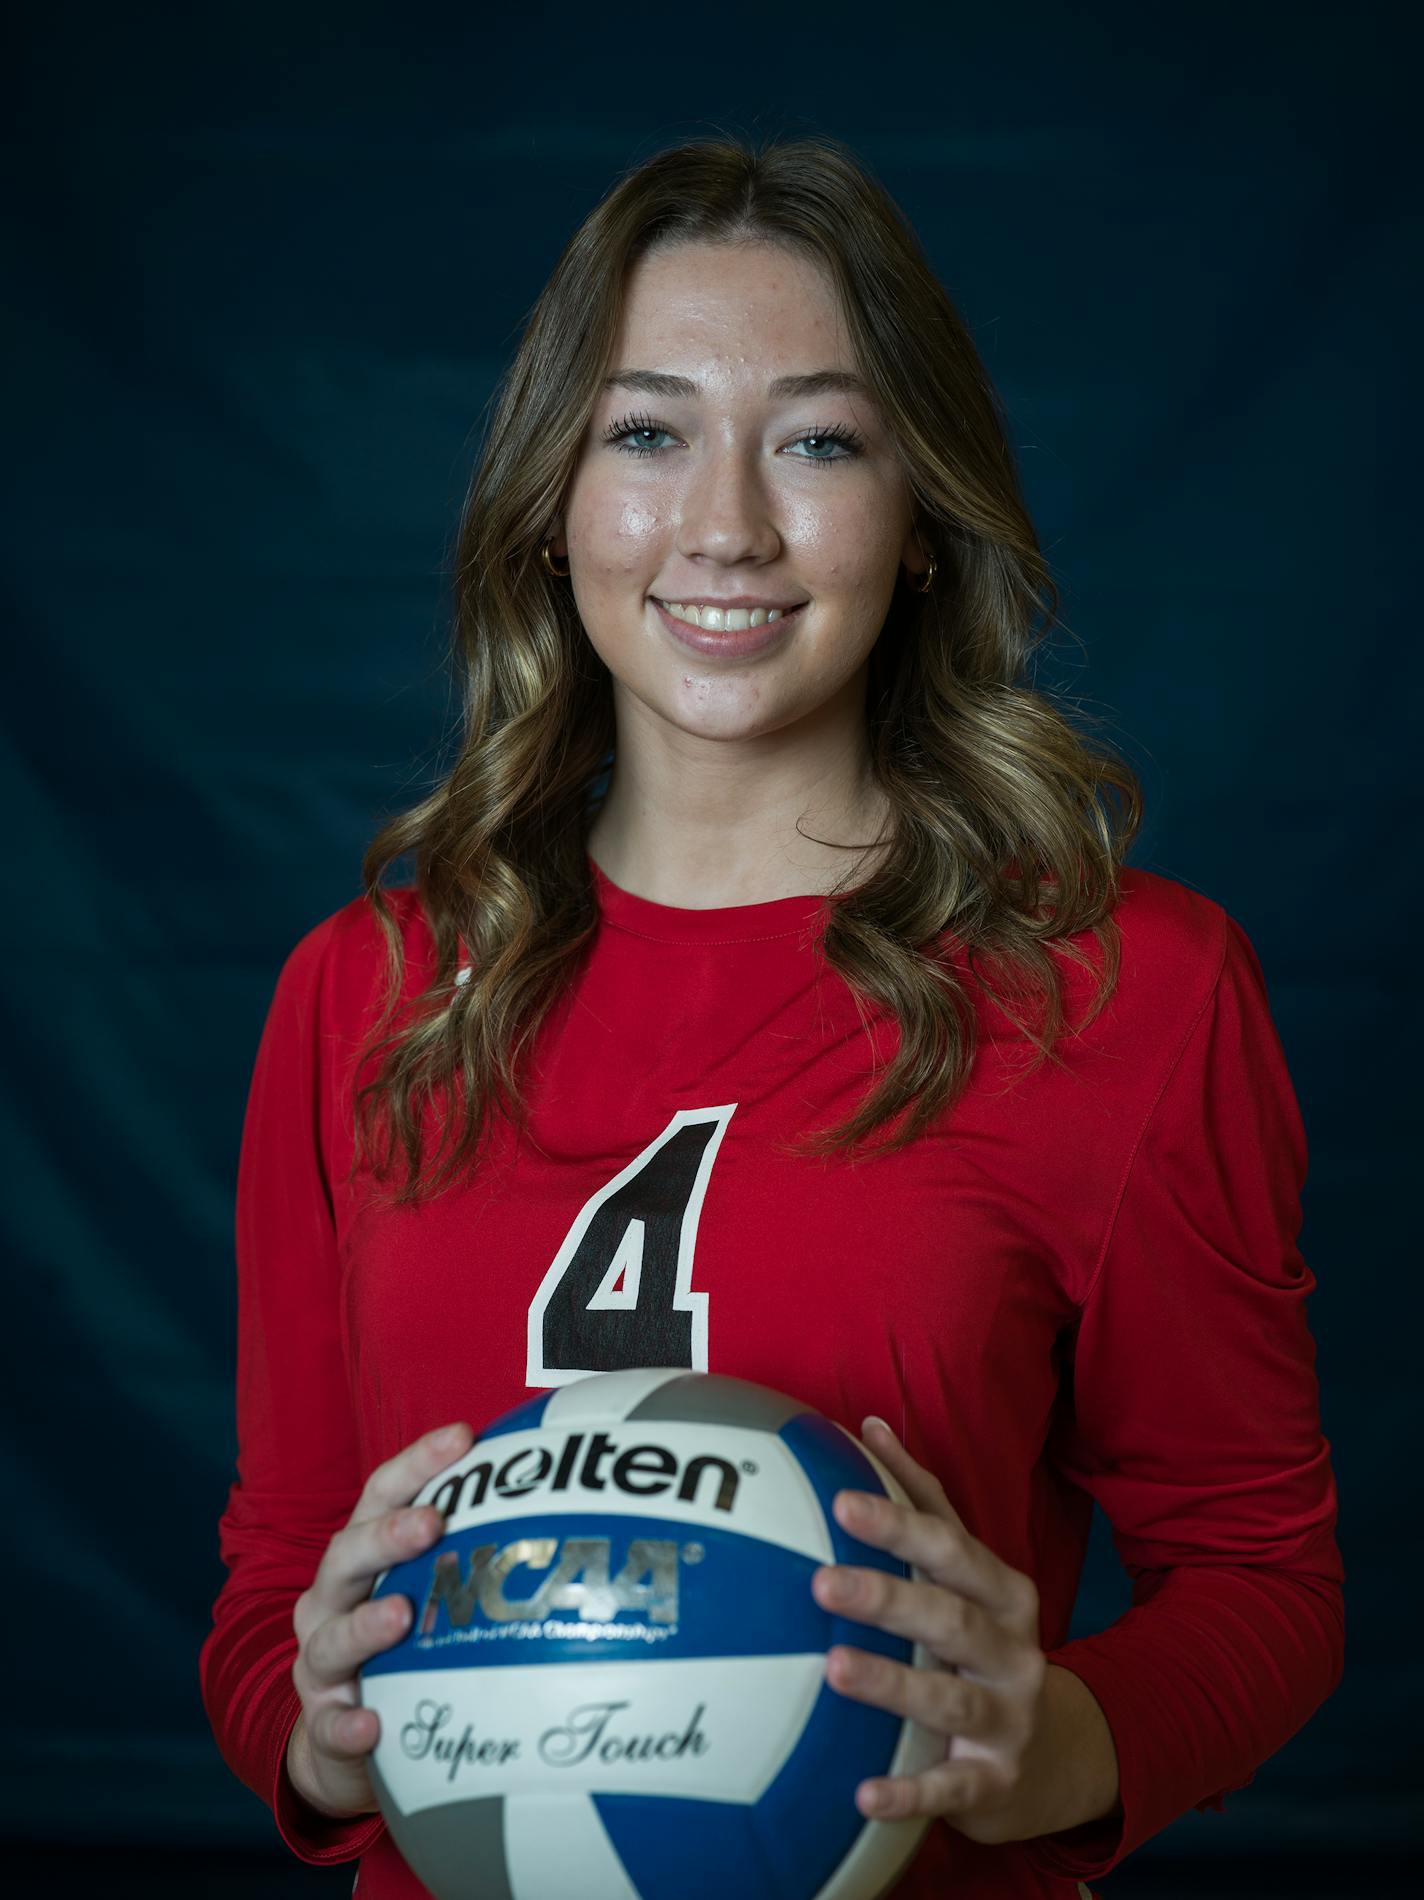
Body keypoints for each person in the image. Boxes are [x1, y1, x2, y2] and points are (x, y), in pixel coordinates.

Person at [199, 135, 1343, 1900]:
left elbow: (1265, 1584)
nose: (725, 525)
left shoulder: (1130, 989)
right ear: (554, 499)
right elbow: (281, 1571)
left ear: (923, 518)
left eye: (818, 441)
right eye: (647, 433)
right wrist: (313, 1722)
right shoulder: (365, 992)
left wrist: (1055, 1748)